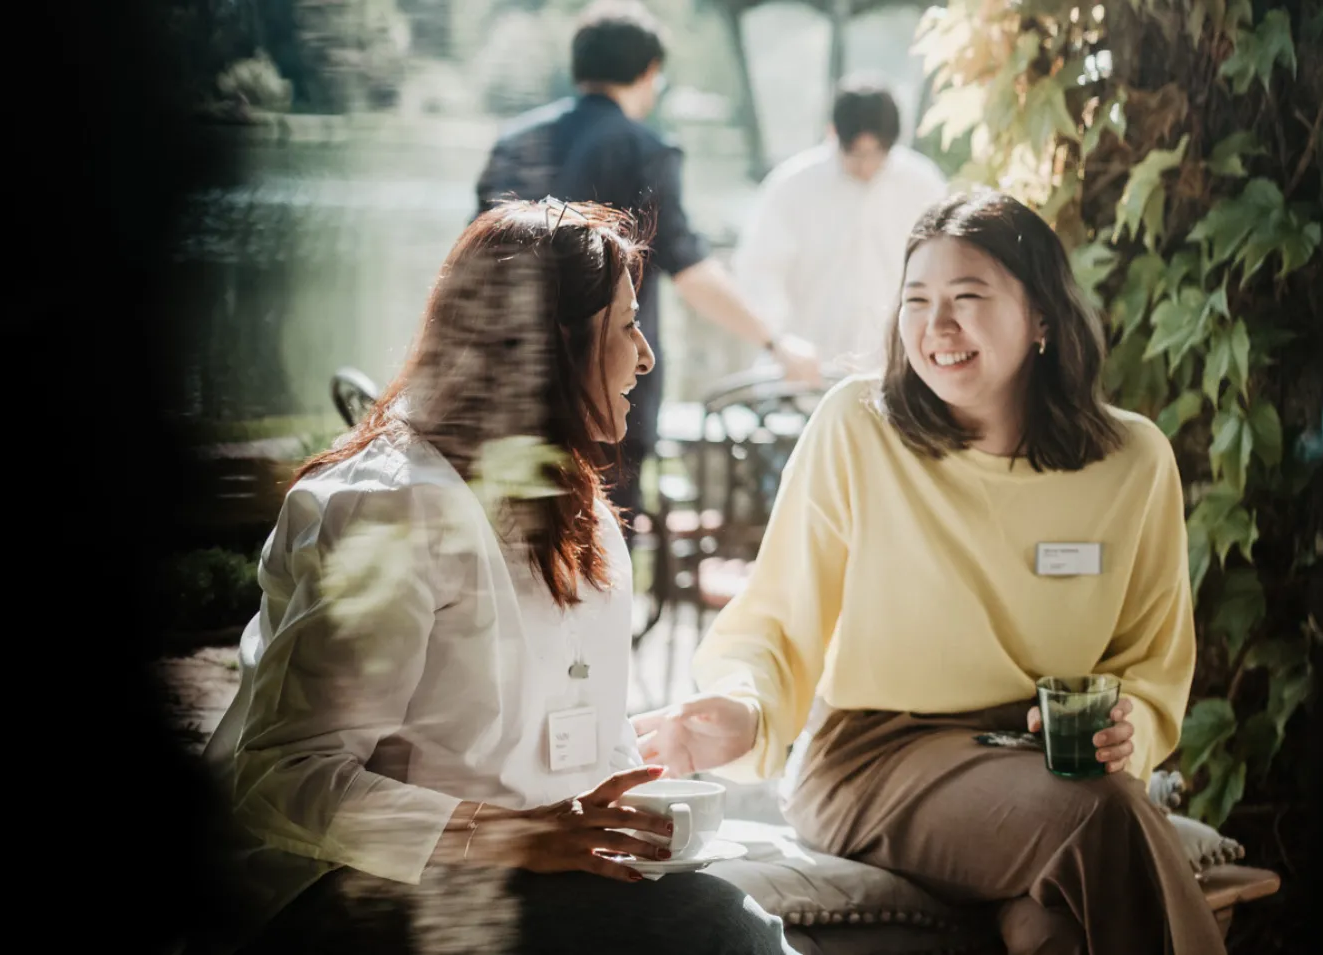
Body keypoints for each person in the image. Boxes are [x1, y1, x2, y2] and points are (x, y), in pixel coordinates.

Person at [636, 188, 1229, 955]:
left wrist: (1130, 728)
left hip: (1045, 765)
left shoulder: (1132, 461)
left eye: (967, 297)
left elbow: (1149, 661)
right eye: (916, 300)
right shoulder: (859, 427)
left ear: (1042, 316)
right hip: (874, 760)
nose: (935, 326)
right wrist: (744, 708)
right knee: (1099, 812)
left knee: (1056, 925)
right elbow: (776, 620)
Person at [202, 198, 795, 955]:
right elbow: (282, 779)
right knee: (715, 928)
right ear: (546, 345)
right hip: (335, 895)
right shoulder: (391, 508)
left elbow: (561, 754)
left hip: (499, 883)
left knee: (728, 899)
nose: (645, 356)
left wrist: (641, 764)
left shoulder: (581, 515)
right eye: (624, 326)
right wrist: (509, 837)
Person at [475, 0, 820, 526]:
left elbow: (477, 265)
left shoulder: (514, 142)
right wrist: (776, 343)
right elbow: (691, 272)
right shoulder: (644, 149)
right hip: (603, 379)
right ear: (648, 72)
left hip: (510, 371)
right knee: (600, 536)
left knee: (511, 530)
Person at [733, 76, 948, 373]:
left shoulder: (923, 185)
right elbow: (759, 271)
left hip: (898, 366)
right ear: (833, 134)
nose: (867, 166)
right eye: (857, 154)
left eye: (877, 155)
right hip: (810, 367)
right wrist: (780, 342)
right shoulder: (793, 186)